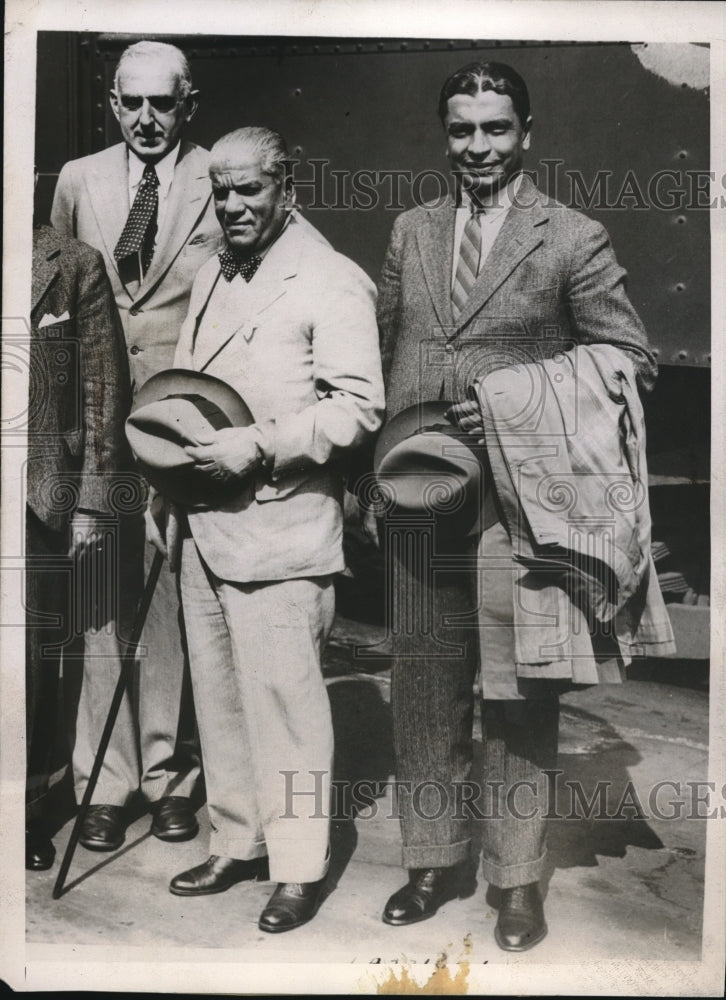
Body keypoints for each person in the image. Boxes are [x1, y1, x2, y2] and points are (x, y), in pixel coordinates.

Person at [374, 61, 673, 951]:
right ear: (445, 135)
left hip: (520, 507)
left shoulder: (571, 237)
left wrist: (515, 396)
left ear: (527, 134)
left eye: (496, 130)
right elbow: (388, 345)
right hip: (418, 492)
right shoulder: (410, 231)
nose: (478, 148)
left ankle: (515, 880)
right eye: (462, 130)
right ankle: (432, 859)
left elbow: (631, 361)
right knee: (422, 684)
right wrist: (373, 474)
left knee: (514, 692)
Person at [155, 126, 384, 932]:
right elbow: (182, 389)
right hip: (202, 523)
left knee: (286, 706)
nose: (234, 205)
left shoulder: (330, 278)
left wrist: (256, 444)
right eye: (222, 190)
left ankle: (297, 868)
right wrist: (164, 487)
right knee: (218, 697)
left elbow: (358, 407)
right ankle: (238, 839)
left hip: (281, 525)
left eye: (250, 189)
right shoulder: (213, 269)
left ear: (288, 186)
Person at [50, 40, 223, 851]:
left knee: (163, 600)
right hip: (95, 429)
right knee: (96, 603)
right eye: (133, 104)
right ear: (113, 105)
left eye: (164, 104)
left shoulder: (217, 175)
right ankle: (103, 781)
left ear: (188, 105)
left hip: (173, 422)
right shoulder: (78, 179)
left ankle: (167, 775)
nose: (147, 120)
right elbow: (55, 287)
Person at [26, 223, 130, 869]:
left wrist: (91, 501)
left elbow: (100, 391)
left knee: (35, 661)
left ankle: (26, 808)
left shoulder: (72, 263)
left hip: (38, 492)